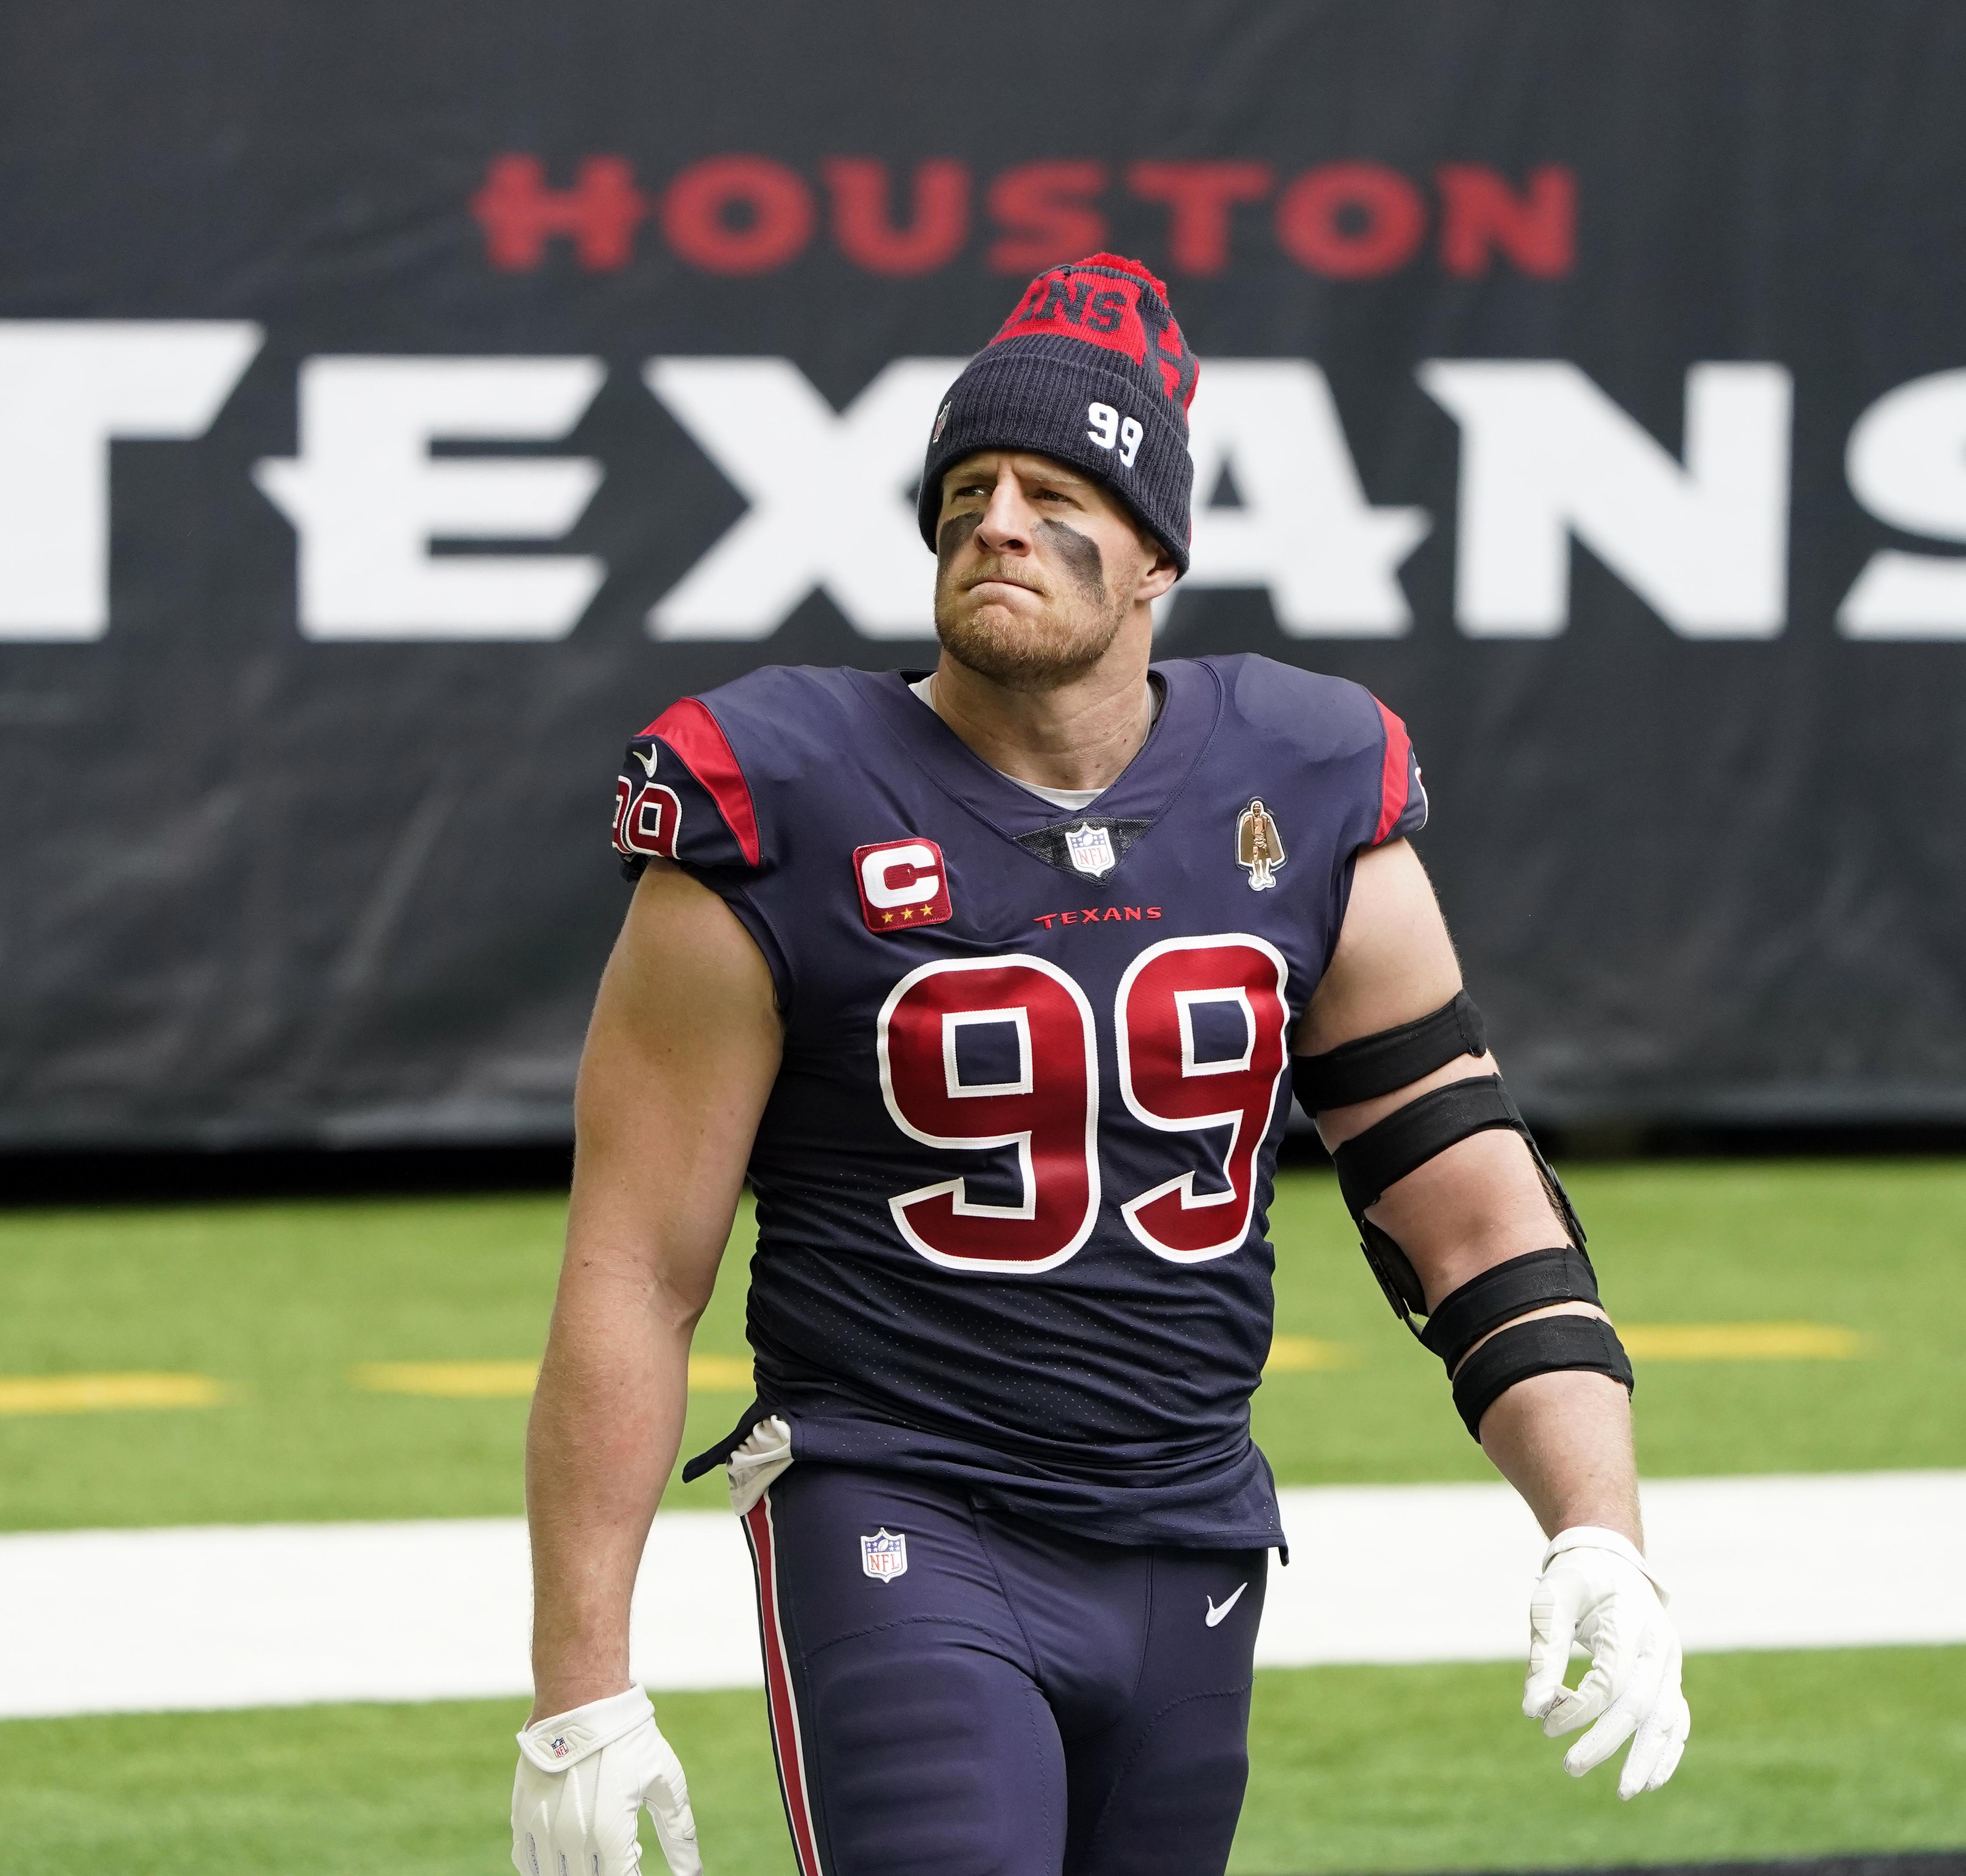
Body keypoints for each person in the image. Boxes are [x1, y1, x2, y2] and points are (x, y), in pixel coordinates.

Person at [511, 253, 1688, 1876]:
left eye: (1059, 490)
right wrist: (581, 1680)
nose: (996, 518)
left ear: (1154, 560)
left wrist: (1600, 1532)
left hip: (1191, 1531)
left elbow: (1470, 1208)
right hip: (899, 1504)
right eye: (969, 485)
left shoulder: (1309, 781)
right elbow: (636, 1267)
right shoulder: (782, 799)